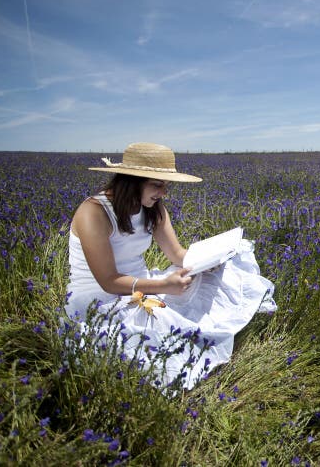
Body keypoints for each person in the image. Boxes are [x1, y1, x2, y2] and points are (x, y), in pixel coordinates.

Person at [65, 142, 276, 389]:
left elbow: (177, 254)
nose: (163, 192)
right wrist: (162, 286)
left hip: (142, 285)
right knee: (160, 332)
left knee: (226, 267)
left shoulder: (152, 208)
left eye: (166, 185)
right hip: (101, 299)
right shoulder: (93, 212)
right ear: (132, 180)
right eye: (157, 184)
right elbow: (108, 280)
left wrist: (206, 263)